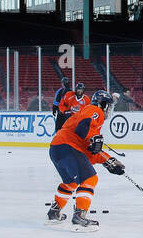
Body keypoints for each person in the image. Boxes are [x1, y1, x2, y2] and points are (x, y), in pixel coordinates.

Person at [46, 88, 123, 229]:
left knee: (71, 182)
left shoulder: (89, 122)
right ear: (103, 104)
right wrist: (93, 138)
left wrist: (108, 161)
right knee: (90, 179)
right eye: (109, 106)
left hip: (57, 148)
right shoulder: (95, 110)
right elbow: (83, 128)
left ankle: (54, 213)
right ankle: (79, 217)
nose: (109, 110)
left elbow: (89, 151)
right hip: (68, 147)